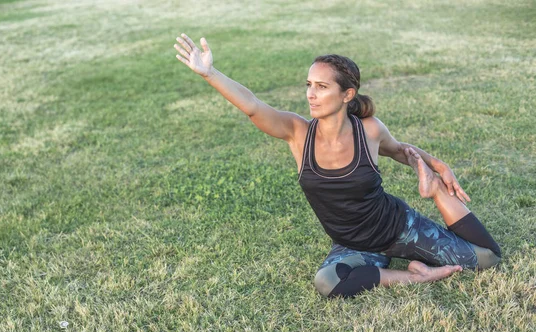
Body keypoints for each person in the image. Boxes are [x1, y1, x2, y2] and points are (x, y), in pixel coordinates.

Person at [174, 34, 501, 298]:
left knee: (487, 258)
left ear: (348, 94)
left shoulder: (369, 130)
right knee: (327, 282)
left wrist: (437, 166)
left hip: (399, 228)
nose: (311, 95)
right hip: (352, 245)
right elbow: (253, 106)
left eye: (321, 86)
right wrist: (210, 73)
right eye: (308, 85)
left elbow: (401, 151)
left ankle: (436, 196)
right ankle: (417, 276)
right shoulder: (297, 132)